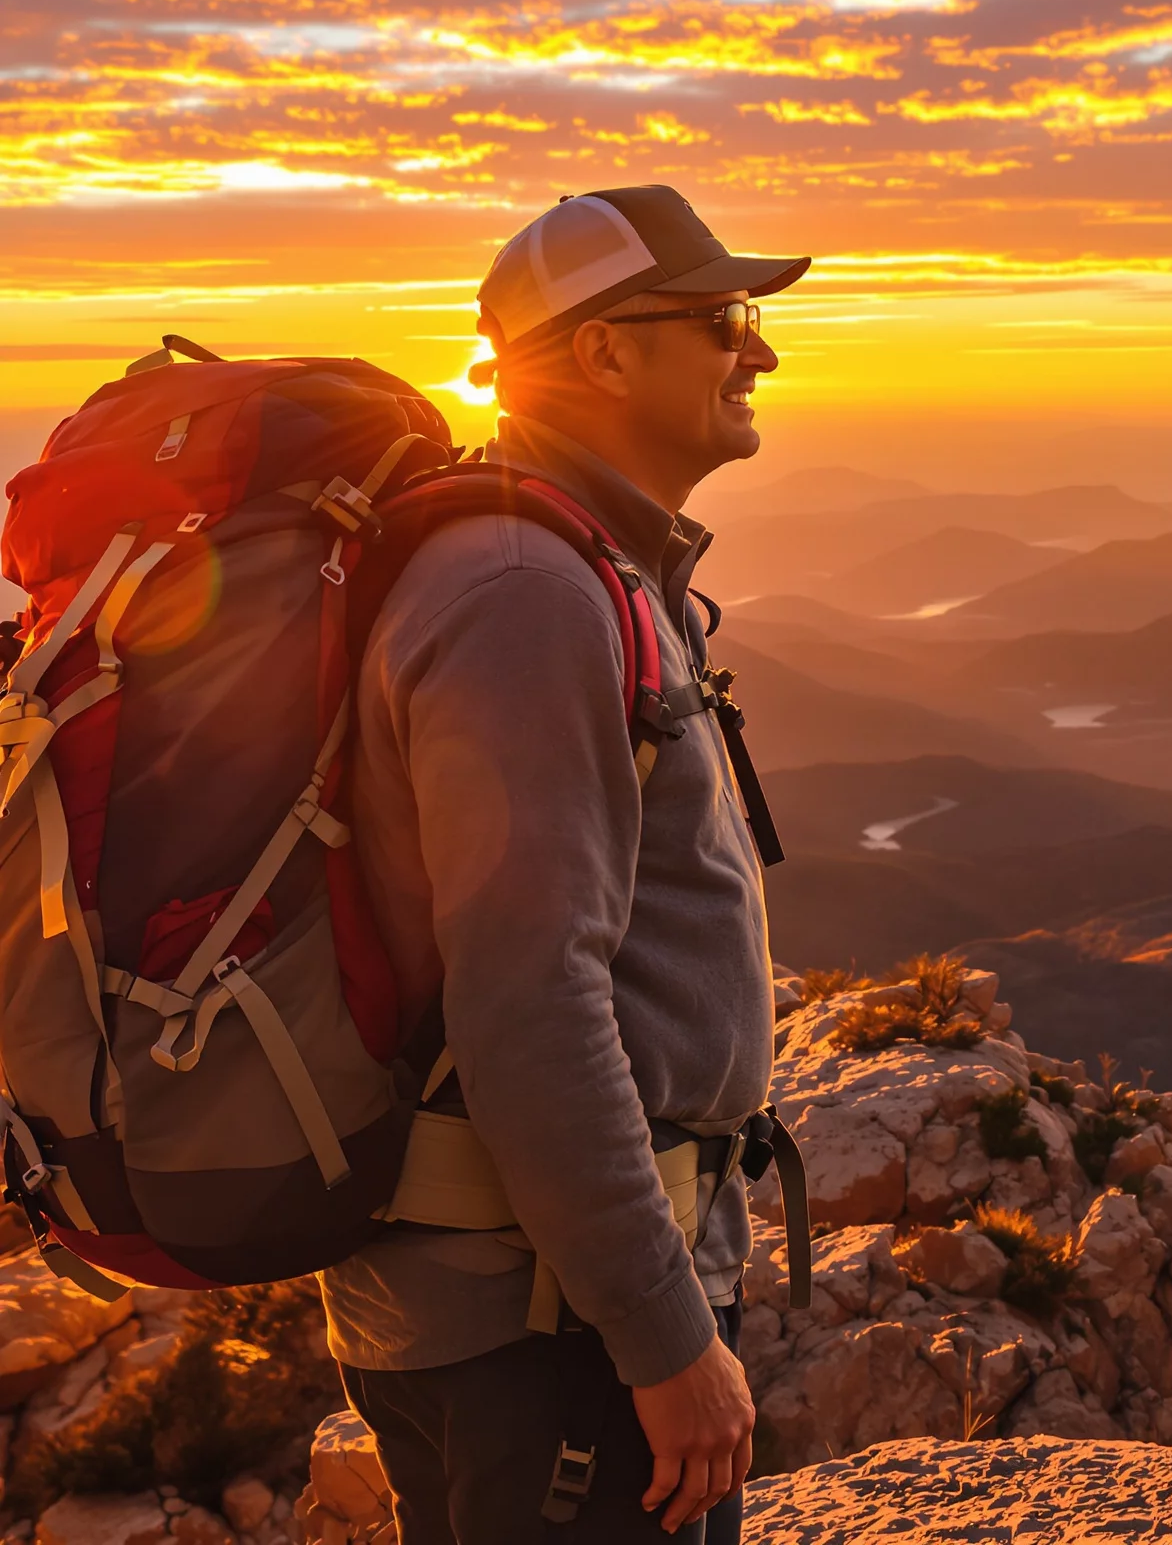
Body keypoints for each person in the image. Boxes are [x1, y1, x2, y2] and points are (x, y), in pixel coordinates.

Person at [318, 186, 808, 1543]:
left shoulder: (571, 566)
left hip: (545, 1305)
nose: (756, 350)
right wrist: (660, 1339)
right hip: (541, 1330)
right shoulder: (524, 597)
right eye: (724, 318)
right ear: (601, 353)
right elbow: (529, 1004)